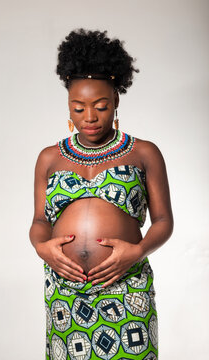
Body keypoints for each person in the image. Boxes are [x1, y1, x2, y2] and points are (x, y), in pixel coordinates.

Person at [29, 28, 173, 360]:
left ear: (116, 100)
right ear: (68, 105)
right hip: (66, 291)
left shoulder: (144, 153)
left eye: (101, 106)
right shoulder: (49, 158)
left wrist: (136, 252)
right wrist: (42, 247)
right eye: (78, 108)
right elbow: (39, 220)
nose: (90, 117)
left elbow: (164, 221)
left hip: (126, 287)